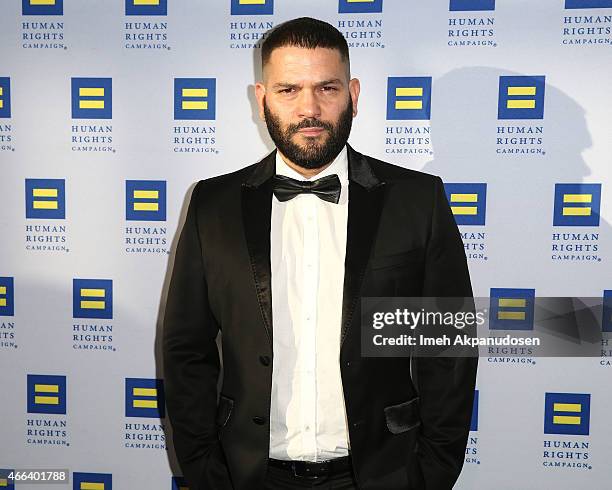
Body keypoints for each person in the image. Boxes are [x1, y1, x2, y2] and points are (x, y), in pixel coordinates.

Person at [163, 17, 477, 490]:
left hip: (381, 475)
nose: (309, 109)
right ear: (261, 97)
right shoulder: (213, 204)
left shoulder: (417, 200)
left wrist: (430, 473)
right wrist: (206, 469)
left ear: (353, 93)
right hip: (247, 475)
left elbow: (448, 350)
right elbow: (187, 349)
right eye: (289, 90)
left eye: (326, 88)